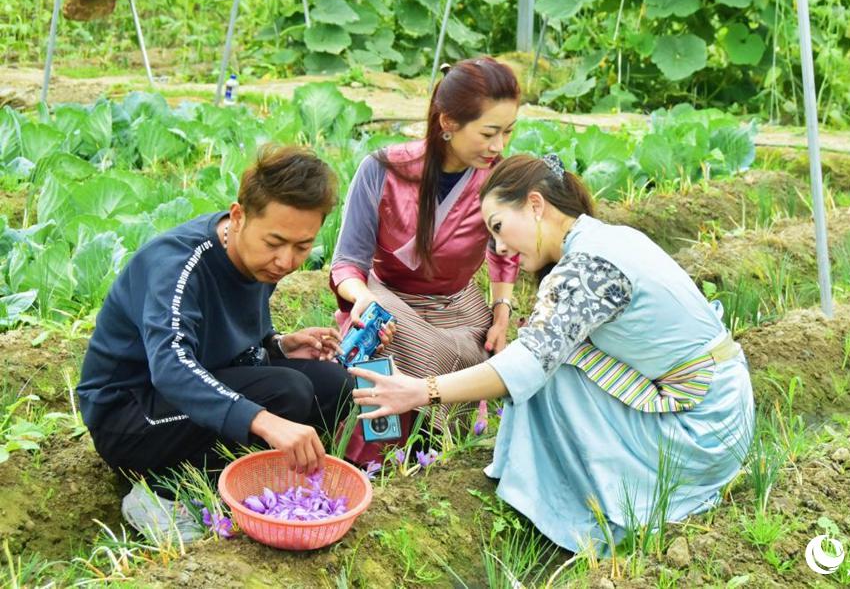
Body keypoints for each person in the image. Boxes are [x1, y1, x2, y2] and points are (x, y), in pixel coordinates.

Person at [349, 153, 755, 552]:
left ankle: (579, 504)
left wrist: (424, 390)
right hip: (722, 410)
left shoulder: (588, 266)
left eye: (500, 227)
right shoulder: (607, 239)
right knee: (552, 357)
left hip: (703, 430)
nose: (501, 247)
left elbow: (528, 363)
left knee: (549, 370)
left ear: (536, 205)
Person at [77, 146, 359, 541]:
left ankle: (252, 485)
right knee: (286, 395)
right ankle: (165, 494)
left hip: (193, 390)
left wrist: (277, 346)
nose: (285, 260)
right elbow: (172, 367)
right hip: (131, 415)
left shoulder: (257, 258)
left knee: (335, 385)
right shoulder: (177, 265)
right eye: (276, 242)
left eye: (302, 246)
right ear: (239, 216)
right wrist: (265, 420)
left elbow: (230, 336)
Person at [329, 57, 520, 464]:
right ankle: (371, 458)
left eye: (507, 132)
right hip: (388, 294)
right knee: (384, 333)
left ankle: (437, 450)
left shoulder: (497, 180)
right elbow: (347, 262)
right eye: (489, 132)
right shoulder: (383, 170)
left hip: (455, 304)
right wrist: (360, 298)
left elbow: (506, 251)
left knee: (475, 355)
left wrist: (501, 312)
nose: (499, 146)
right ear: (448, 122)